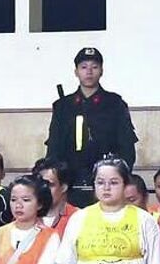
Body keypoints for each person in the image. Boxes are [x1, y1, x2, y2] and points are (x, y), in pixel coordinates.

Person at [45, 47, 138, 206]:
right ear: (76, 71)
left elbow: (126, 147)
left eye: (94, 67)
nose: (89, 72)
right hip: (70, 181)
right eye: (84, 67)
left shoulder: (114, 103)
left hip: (105, 181)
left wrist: (117, 177)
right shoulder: (63, 106)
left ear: (101, 71)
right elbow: (54, 148)